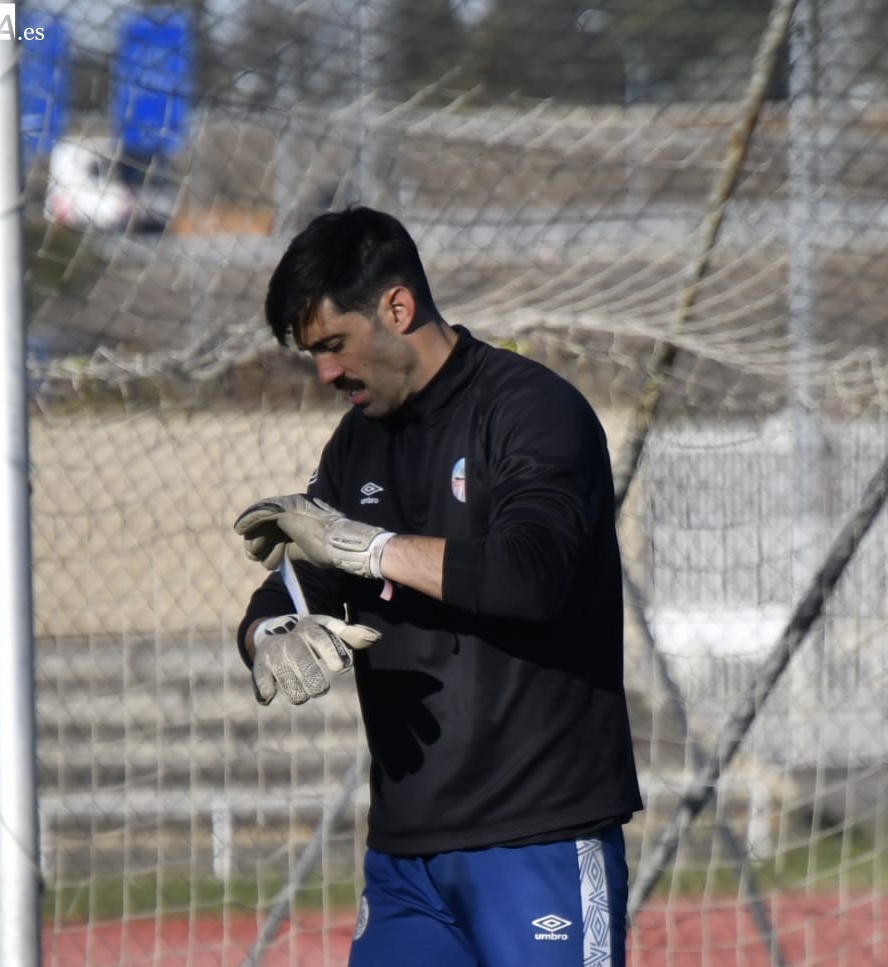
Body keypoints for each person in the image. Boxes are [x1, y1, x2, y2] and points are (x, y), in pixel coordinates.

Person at [232, 206, 643, 967]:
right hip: (406, 864)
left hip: (539, 838)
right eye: (313, 355)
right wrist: (273, 633)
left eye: (334, 346)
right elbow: (295, 583)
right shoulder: (355, 445)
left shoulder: (532, 411)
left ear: (397, 307)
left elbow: (530, 576)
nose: (326, 374)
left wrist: (371, 549)